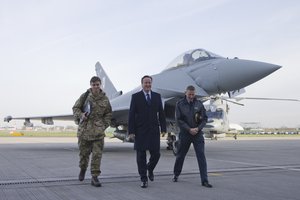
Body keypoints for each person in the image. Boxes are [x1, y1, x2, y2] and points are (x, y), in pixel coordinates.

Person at [72, 76, 112, 187]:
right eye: (93, 85)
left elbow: (108, 114)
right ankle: (83, 169)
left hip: (98, 132)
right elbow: (75, 108)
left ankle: (94, 177)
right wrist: (81, 115)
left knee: (97, 155)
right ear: (91, 85)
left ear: (100, 85)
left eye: (97, 84)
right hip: (84, 131)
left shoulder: (105, 99)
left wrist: (103, 125)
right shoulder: (85, 96)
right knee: (83, 155)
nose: (95, 86)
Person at [128, 75, 166, 188]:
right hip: (140, 131)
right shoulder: (136, 97)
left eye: (149, 82)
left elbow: (161, 113)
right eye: (146, 83)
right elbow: (131, 114)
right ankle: (143, 179)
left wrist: (163, 128)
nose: (148, 84)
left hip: (154, 130)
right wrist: (131, 131)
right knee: (141, 156)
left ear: (151, 84)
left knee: (157, 154)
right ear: (142, 84)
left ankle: (149, 168)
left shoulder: (157, 96)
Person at [172, 85, 212, 188]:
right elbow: (179, 120)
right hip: (185, 134)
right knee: (180, 155)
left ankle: (204, 180)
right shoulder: (180, 104)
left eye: (193, 94)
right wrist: (189, 129)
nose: (191, 96)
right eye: (189, 94)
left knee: (201, 156)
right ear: (185, 93)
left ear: (195, 94)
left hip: (197, 134)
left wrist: (198, 129)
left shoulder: (199, 104)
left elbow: (204, 119)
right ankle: (176, 174)